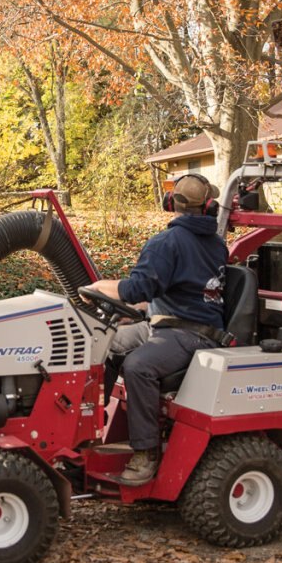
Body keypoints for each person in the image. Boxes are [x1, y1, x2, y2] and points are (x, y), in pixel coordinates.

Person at [86, 173, 227, 486]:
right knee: (103, 343)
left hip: (192, 333)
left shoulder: (167, 243)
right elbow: (184, 287)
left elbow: (139, 287)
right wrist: (143, 310)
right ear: (208, 207)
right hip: (165, 322)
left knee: (139, 366)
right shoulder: (215, 243)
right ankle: (89, 427)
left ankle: (146, 453)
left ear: (170, 204)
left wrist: (98, 286)